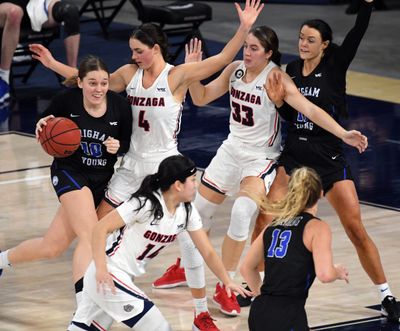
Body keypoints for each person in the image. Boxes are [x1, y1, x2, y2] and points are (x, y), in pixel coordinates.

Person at [28, 1, 264, 329]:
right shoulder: (129, 74)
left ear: (155, 49)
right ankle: (89, 306)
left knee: (190, 237)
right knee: (98, 231)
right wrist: (54, 63)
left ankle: (201, 311)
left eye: (138, 51)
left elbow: (222, 59)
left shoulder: (177, 76)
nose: (134, 56)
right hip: (130, 164)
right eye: (131, 51)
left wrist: (243, 28)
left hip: (164, 167)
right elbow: (93, 81)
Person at [153, 25, 367, 317]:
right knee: (195, 213)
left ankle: (225, 285)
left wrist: (343, 134)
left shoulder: (276, 77)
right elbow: (201, 97)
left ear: (269, 54)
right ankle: (184, 265)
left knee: (242, 213)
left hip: (260, 157)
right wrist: (192, 73)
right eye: (246, 46)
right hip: (231, 150)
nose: (248, 52)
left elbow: (310, 110)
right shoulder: (235, 70)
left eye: (255, 48)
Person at [260, 0, 400, 322]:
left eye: (311, 39)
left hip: (328, 157)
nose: (303, 44)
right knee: (267, 220)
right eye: (300, 38)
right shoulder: (292, 70)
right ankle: (257, 285)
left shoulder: (336, 63)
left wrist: (366, 5)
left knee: (355, 228)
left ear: (324, 44)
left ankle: (386, 295)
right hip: (295, 156)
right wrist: (277, 103)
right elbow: (293, 115)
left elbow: (357, 32)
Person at [0, 56, 132, 316]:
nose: (98, 88)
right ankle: (83, 307)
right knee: (91, 234)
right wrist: (41, 125)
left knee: (52, 247)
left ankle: (1, 259)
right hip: (69, 172)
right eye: (92, 82)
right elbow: (44, 123)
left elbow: (126, 144)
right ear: (80, 82)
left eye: (104, 83)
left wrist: (118, 147)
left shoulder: (119, 106)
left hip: (101, 179)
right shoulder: (66, 100)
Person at [67, 154, 251, 331]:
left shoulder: (187, 212)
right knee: (158, 327)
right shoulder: (144, 203)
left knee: (82, 328)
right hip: (110, 274)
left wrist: (227, 281)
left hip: (120, 276)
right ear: (178, 185)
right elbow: (100, 229)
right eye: (193, 180)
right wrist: (100, 269)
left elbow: (208, 252)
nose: (196, 185)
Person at [240, 167, 349, 331]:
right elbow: (325, 275)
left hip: (260, 312)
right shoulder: (317, 227)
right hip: (288, 313)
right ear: (320, 193)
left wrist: (262, 296)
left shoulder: (274, 224)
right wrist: (337, 271)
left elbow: (246, 267)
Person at [0, 0, 80, 102]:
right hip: (5, 6)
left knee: (69, 10)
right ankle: (3, 78)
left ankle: (71, 74)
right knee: (14, 12)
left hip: (34, 5)